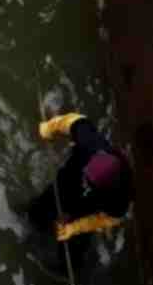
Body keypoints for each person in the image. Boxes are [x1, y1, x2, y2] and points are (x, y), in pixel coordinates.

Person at [28, 112, 133, 270]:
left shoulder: (120, 196)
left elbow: (110, 218)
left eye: (89, 183)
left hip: (88, 211)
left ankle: (65, 273)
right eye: (86, 178)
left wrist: (75, 228)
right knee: (37, 212)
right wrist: (50, 127)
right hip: (66, 183)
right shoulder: (91, 144)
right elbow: (75, 121)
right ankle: (35, 224)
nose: (85, 183)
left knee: (72, 255)